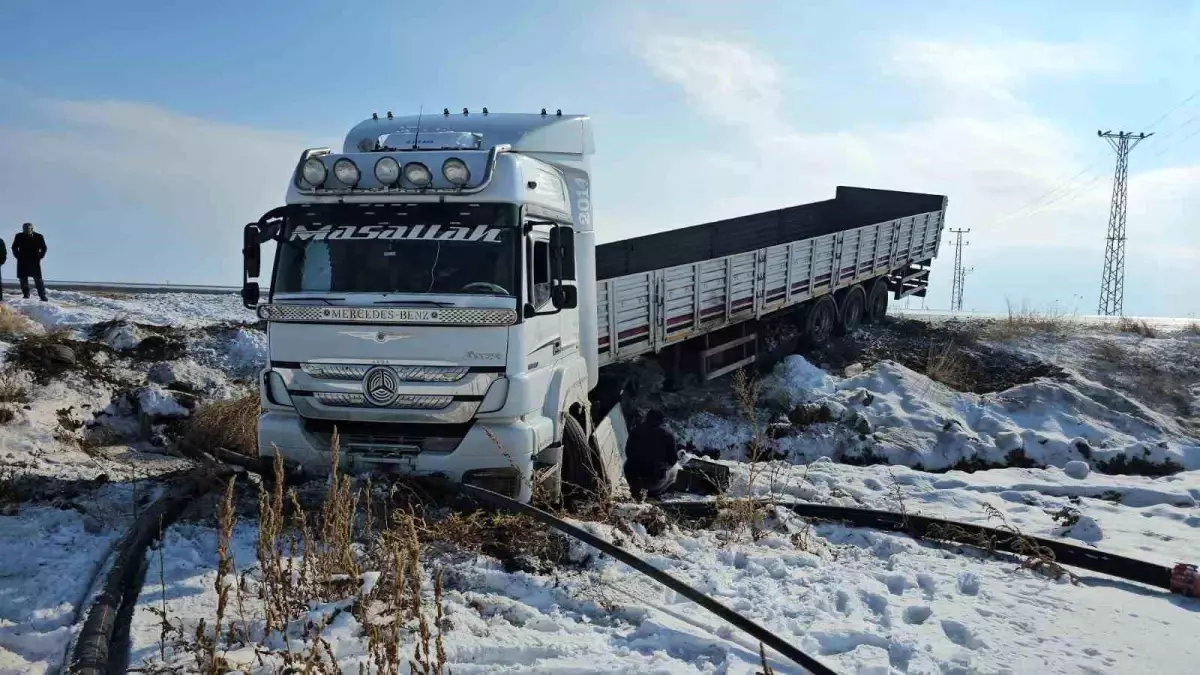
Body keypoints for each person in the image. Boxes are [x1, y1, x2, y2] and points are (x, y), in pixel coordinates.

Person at [623, 408, 684, 499]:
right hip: (653, 482)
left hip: (633, 479)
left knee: (628, 462)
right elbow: (672, 460)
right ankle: (655, 493)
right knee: (675, 469)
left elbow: (628, 452)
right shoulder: (668, 435)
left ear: (647, 418)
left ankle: (637, 489)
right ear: (661, 421)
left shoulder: (635, 431)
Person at [12, 223, 47, 302]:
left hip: (34, 261)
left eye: (27, 229)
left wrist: (39, 256)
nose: (26, 230)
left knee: (38, 279)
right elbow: (14, 247)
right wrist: (17, 256)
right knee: (23, 279)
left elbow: (44, 248)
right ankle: (26, 294)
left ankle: (42, 295)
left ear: (32, 229)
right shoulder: (19, 236)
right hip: (22, 261)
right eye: (24, 229)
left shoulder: (39, 236)